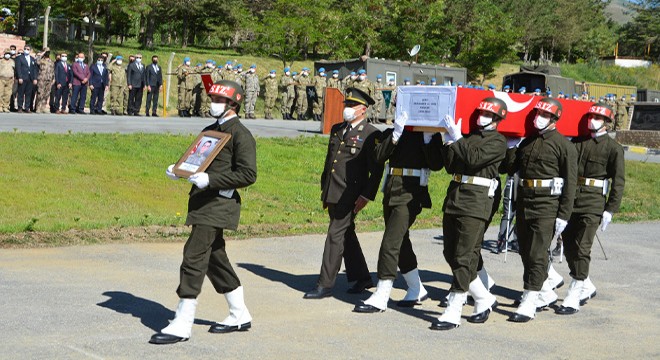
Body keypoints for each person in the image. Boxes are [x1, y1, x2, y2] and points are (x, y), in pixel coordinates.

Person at [150, 80, 257, 345]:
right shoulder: (211, 130)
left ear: (233, 104)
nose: (213, 104)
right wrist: (179, 169)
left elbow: (248, 173)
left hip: (219, 204)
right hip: (202, 202)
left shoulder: (241, 135)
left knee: (194, 255)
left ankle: (183, 322)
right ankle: (239, 313)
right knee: (214, 258)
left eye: (219, 101)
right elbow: (198, 159)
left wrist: (211, 181)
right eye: (212, 99)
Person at [353, 106, 444, 314]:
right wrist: (395, 134)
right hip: (392, 191)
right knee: (401, 241)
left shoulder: (426, 135)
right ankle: (416, 288)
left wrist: (429, 140)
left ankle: (382, 294)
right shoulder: (392, 132)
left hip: (411, 194)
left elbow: (437, 164)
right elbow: (377, 156)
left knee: (390, 242)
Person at [432, 98, 507, 330]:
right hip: (455, 195)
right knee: (450, 252)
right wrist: (446, 142)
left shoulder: (498, 141)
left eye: (488, 114)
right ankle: (484, 298)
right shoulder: (468, 137)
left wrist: (457, 139)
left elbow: (474, 159)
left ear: (497, 119)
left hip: (477, 200)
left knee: (464, 256)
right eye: (481, 112)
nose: (482, 116)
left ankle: (454, 308)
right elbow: (452, 166)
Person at [304, 88, 384, 300]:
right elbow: (330, 162)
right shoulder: (338, 129)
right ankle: (362, 277)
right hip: (333, 190)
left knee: (335, 235)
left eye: (351, 106)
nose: (347, 109)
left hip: (352, 193)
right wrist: (325, 190)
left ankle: (325, 284)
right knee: (346, 233)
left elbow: (376, 171)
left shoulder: (371, 134)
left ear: (363, 110)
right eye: (346, 105)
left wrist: (367, 196)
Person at [504, 97, 577, 323]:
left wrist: (564, 215)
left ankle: (529, 300)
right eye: (537, 114)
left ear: (554, 119)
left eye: (544, 115)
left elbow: (570, 182)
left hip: (547, 205)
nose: (539, 119)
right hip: (525, 201)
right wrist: (510, 147)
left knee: (537, 253)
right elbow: (508, 168)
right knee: (525, 251)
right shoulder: (527, 142)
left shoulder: (564, 145)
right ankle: (545, 292)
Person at [555, 103, 625, 315]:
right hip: (571, 200)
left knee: (582, 248)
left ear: (606, 123)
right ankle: (586, 283)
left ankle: (574, 293)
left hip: (593, 203)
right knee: (567, 246)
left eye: (597, 117)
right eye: (590, 116)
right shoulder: (576, 142)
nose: (592, 120)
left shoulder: (613, 148)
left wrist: (610, 209)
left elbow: (618, 181)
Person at [14, 44, 39, 113]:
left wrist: (35, 78)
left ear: (30, 50)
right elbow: (18, 68)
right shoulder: (19, 58)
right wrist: (20, 77)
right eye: (25, 49)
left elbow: (34, 70)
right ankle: (20, 107)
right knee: (21, 93)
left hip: (30, 79)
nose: (26, 50)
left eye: (28, 49)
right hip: (23, 78)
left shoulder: (32, 59)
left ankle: (27, 108)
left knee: (28, 94)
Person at [35, 48, 54, 114]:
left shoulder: (51, 61)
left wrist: (53, 79)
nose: (47, 53)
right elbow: (36, 60)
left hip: (49, 80)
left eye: (48, 52)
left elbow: (52, 71)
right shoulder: (41, 60)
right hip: (42, 79)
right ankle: (38, 107)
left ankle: (43, 107)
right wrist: (42, 53)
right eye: (46, 52)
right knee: (40, 94)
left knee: (46, 94)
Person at [0, 48, 16, 112]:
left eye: (9, 54)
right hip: (1, 79)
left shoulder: (12, 61)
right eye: (6, 53)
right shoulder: (1, 61)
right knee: (0, 93)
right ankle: (0, 106)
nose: (8, 55)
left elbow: (14, 70)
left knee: (8, 94)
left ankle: (6, 106)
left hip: (10, 79)